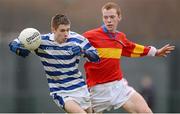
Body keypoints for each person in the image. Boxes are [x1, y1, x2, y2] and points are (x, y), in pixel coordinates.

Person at [83, 2, 175, 113]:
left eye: (112, 17)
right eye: (105, 17)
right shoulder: (90, 36)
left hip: (119, 86)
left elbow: (132, 48)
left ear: (119, 17)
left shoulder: (120, 37)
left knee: (146, 111)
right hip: (97, 91)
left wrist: (155, 52)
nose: (109, 20)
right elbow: (71, 43)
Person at [9, 14, 100, 113]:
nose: (66, 34)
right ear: (53, 30)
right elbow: (15, 42)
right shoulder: (41, 42)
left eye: (68, 30)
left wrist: (83, 51)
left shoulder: (77, 40)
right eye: (62, 30)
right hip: (60, 91)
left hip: (80, 87)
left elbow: (96, 58)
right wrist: (17, 49)